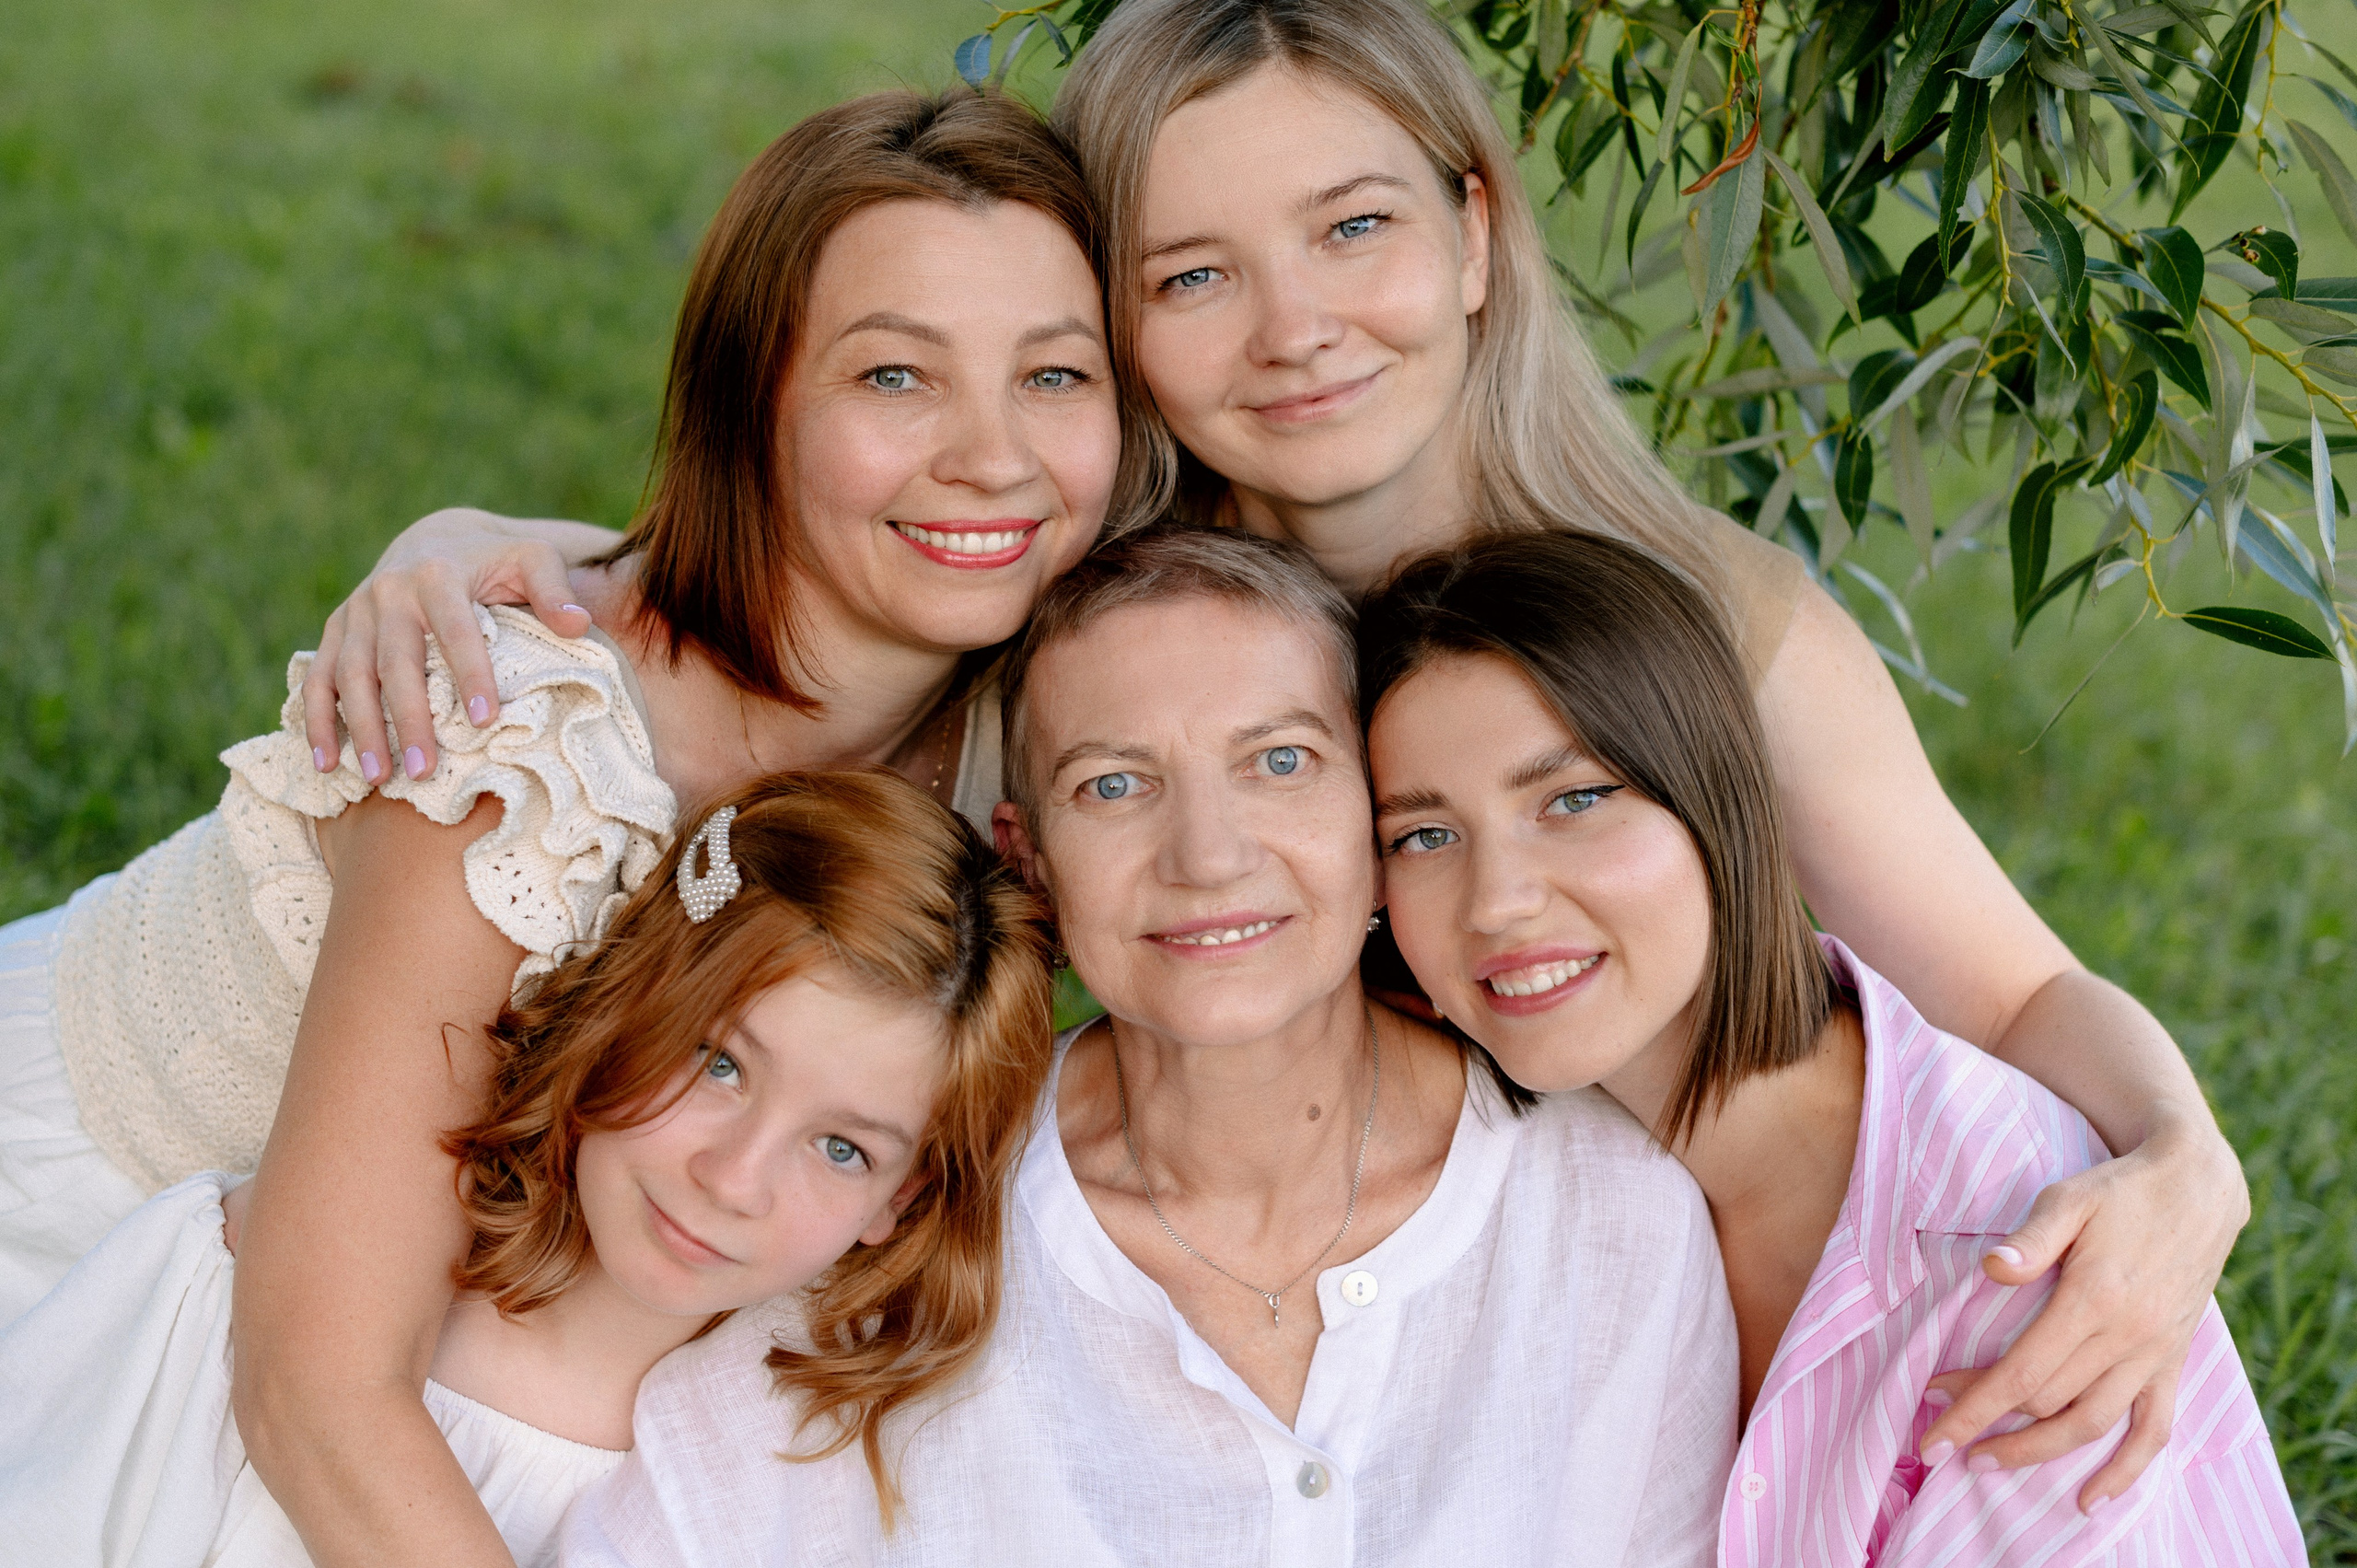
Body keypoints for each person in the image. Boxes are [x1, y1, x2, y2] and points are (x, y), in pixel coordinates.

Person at [319, 0, 2247, 1503]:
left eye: (1351, 229)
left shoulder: (1701, 638)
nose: (1295, 325)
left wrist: (2183, 1164)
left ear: (1475, 231)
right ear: (1120, 326)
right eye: (1190, 272)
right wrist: (465, 555)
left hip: (1741, 1339)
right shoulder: (1107, 634)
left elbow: (2014, 991)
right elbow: (757, 610)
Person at [0, 87, 1122, 1564]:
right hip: (85, 1258)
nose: (994, 454)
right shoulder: (522, 743)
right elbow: (316, 1390)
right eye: (897, 377)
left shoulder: (1007, 755)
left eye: (1055, 375)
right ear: (754, 400)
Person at [562, 525, 1738, 1565]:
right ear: (1029, 859)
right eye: (1115, 784)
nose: (1209, 855)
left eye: (1280, 762)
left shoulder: (1612, 1220)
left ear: (1372, 820)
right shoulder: (904, 1213)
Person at [1357, 531, 2302, 1564]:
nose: (1496, 900)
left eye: (1573, 798)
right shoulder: (1502, 1161)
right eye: (1423, 835)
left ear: (1717, 800)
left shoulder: (2009, 1265)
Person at [0, 768, 1053, 1565]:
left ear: (899, 1197)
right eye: (721, 1061)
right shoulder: (241, 1278)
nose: (733, 1178)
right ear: (633, 1001)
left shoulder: (776, 1481)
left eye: (841, 1147)